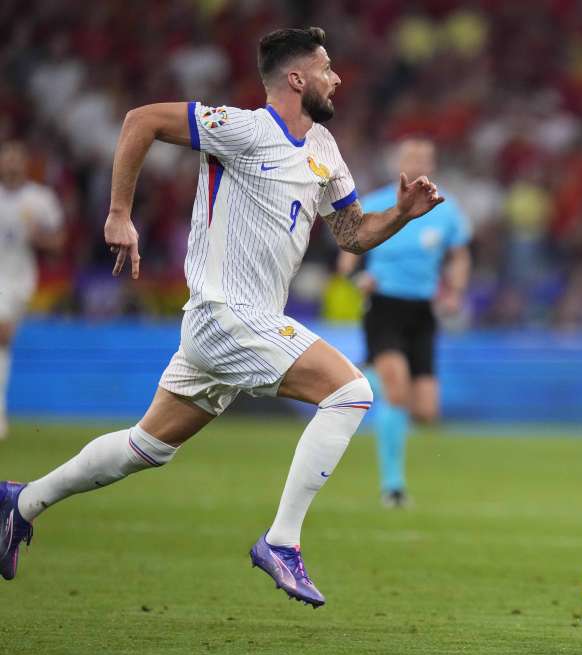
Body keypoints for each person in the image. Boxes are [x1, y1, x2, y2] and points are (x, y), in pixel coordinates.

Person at [0, 27, 443, 607]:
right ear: (296, 78)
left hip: (236, 324)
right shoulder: (242, 129)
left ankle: (22, 502)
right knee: (351, 392)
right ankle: (282, 541)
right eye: (326, 68)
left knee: (146, 447)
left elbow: (352, 233)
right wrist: (119, 213)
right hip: (225, 312)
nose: (336, 78)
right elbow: (140, 121)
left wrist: (402, 215)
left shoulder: (324, 147)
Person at [337, 139, 471, 508]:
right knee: (397, 394)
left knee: (425, 411)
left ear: (434, 163)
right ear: (398, 163)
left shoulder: (446, 210)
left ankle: (361, 378)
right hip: (383, 306)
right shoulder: (377, 202)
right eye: (411, 157)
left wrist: (455, 291)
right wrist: (357, 278)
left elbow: (459, 255)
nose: (418, 163)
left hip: (422, 312)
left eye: (425, 158)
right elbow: (347, 255)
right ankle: (393, 487)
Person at [0, 141, 65, 440]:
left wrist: (41, 239)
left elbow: (59, 243)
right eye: (7, 159)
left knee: (2, 334)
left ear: (25, 163)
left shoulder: (39, 199)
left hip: (17, 279)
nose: (11, 164)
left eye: (16, 159)